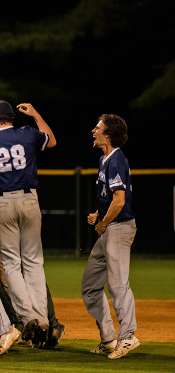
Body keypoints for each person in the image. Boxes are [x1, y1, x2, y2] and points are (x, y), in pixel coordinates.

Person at [0, 100, 56, 344]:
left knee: (12, 264)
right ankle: (44, 320)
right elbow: (51, 139)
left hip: (3, 202)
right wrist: (36, 113)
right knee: (34, 262)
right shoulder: (27, 133)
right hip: (30, 200)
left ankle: (28, 318)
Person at [82, 114, 139, 359]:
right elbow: (110, 201)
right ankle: (108, 339)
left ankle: (127, 337)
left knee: (118, 285)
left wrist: (103, 223)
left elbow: (120, 201)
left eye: (98, 127)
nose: (93, 130)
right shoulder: (104, 159)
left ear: (108, 134)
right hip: (110, 227)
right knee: (91, 287)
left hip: (119, 228)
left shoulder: (116, 160)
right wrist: (99, 215)